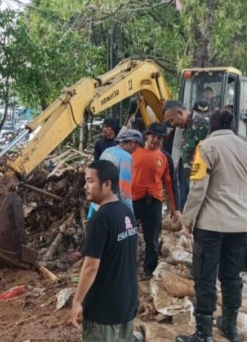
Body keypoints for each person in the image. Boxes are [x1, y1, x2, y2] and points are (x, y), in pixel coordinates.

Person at [174, 110, 247, 342]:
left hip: (210, 226)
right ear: (233, 126)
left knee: (205, 277)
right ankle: (230, 326)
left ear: (211, 127)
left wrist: (187, 220)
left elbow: (198, 188)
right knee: (232, 278)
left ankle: (204, 334)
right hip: (240, 226)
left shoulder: (205, 148)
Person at [69, 160, 138, 341]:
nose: (85, 186)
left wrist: (77, 301)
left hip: (104, 311)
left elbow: (90, 266)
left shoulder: (101, 219)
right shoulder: (126, 212)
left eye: (90, 181)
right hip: (126, 304)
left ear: (107, 184)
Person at [131, 123, 181, 279]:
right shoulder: (133, 153)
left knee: (152, 239)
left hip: (153, 202)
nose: (156, 140)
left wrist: (175, 208)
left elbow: (171, 184)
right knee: (127, 236)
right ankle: (127, 266)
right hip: (132, 201)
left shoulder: (165, 157)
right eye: (153, 136)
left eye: (160, 138)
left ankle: (148, 270)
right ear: (147, 135)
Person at [163, 100, 209, 209]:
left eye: (172, 120)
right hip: (189, 174)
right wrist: (174, 168)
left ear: (180, 113)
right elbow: (177, 146)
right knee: (184, 198)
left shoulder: (201, 124)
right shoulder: (183, 127)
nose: (173, 124)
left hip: (201, 176)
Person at [88, 129, 142, 220]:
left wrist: (92, 207)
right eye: (137, 146)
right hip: (112, 208)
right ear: (132, 143)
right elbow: (124, 189)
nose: (136, 150)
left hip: (98, 204)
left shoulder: (107, 151)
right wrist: (130, 214)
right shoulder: (126, 158)